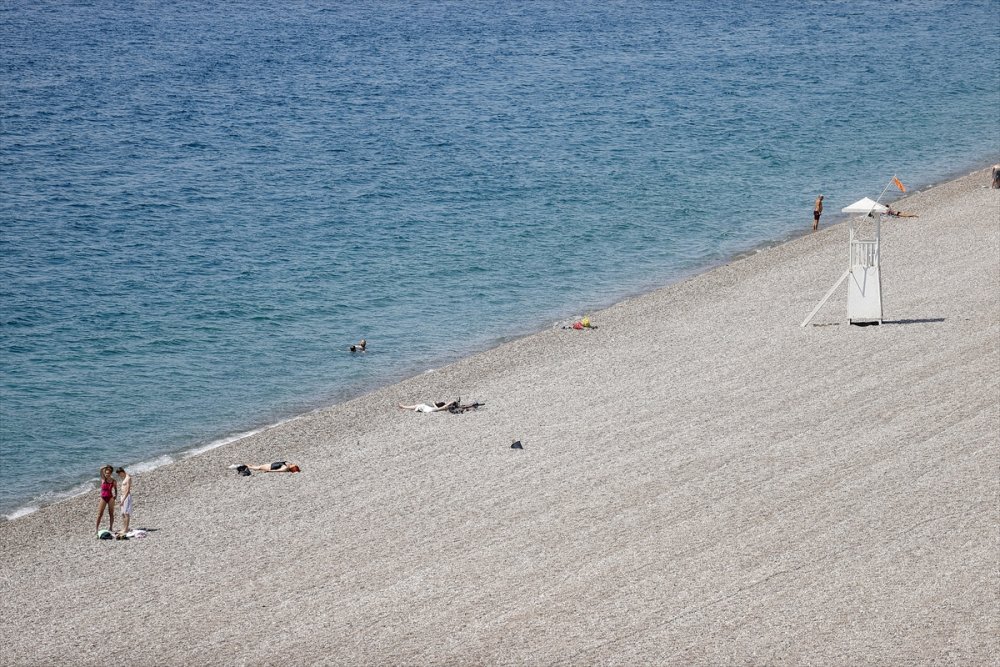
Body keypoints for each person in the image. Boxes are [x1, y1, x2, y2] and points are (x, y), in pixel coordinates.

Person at [95, 465, 117, 535]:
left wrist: (115, 495)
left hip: (110, 498)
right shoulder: (103, 479)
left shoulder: (113, 481)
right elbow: (100, 469)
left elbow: (115, 489)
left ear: (110, 473)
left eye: (108, 473)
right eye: (106, 473)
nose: (107, 474)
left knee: (111, 513)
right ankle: (96, 529)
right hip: (103, 498)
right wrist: (106, 466)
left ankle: (111, 528)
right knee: (99, 514)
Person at [116, 467, 133, 538]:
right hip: (122, 496)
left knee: (126, 513)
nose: (119, 476)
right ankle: (124, 528)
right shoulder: (125, 478)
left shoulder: (128, 478)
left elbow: (128, 490)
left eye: (119, 474)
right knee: (123, 513)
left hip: (126, 497)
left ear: (122, 472)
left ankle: (126, 529)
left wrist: (123, 500)